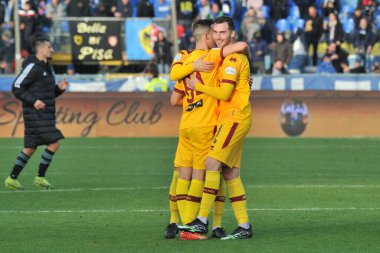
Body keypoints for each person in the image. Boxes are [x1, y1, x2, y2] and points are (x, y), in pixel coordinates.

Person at [165, 19, 249, 240]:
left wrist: (193, 81)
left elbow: (174, 97)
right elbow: (240, 46)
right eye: (215, 33)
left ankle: (179, 222)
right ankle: (204, 224)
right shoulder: (213, 57)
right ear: (208, 36)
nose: (218, 37)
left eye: (222, 33)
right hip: (209, 122)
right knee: (214, 172)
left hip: (190, 124)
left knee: (183, 173)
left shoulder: (183, 57)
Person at [4, 37, 69, 190]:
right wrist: (33, 101)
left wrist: (59, 89)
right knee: (54, 142)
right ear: (40, 49)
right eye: (49, 47)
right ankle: (40, 177)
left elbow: (47, 94)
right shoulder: (32, 66)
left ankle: (12, 178)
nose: (52, 50)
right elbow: (17, 87)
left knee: (31, 147)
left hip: (45, 113)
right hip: (35, 113)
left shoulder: (48, 67)